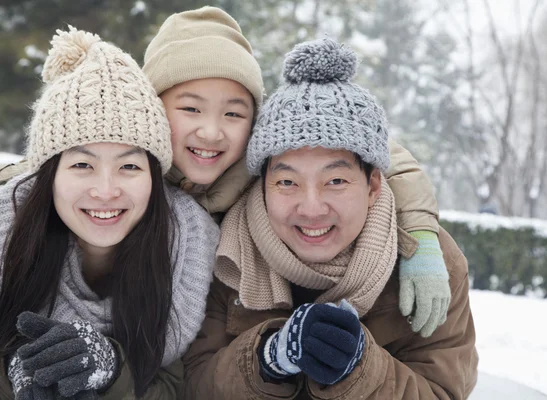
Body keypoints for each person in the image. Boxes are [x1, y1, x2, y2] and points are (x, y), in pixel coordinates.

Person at [182, 38, 478, 399]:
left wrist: (359, 367)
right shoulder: (224, 250)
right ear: (261, 186)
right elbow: (193, 383)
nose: (311, 208)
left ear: (371, 186)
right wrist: (268, 358)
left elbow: (443, 391)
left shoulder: (431, 264)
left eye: (335, 181)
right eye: (287, 182)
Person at [142, 6, 450, 337]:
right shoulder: (125, 177)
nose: (212, 132)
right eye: (190, 108)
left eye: (233, 114)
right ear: (151, 107)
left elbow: (387, 158)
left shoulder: (259, 163)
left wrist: (421, 238)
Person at [0, 27, 219, 399]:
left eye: (129, 167)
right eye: (83, 165)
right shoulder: (8, 230)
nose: (105, 191)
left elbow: (174, 384)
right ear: (49, 175)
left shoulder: (188, 247)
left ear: (155, 177)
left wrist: (111, 367)